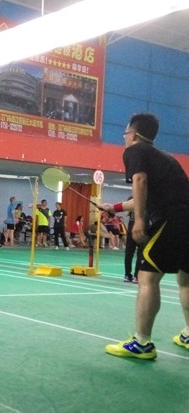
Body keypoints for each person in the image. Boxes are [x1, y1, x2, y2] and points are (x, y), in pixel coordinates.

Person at [99, 112, 189, 360]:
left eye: (125, 133)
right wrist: (115, 207)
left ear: (134, 134)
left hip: (171, 220)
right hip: (186, 220)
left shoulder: (135, 151)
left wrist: (139, 220)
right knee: (186, 279)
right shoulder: (167, 159)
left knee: (147, 278)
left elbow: (140, 182)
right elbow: (148, 193)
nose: (124, 137)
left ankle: (142, 343)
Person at [123, 196, 142, 284]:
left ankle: (127, 275)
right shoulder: (146, 198)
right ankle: (136, 276)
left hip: (131, 228)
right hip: (142, 228)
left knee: (129, 252)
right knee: (140, 253)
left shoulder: (131, 198)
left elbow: (126, 213)